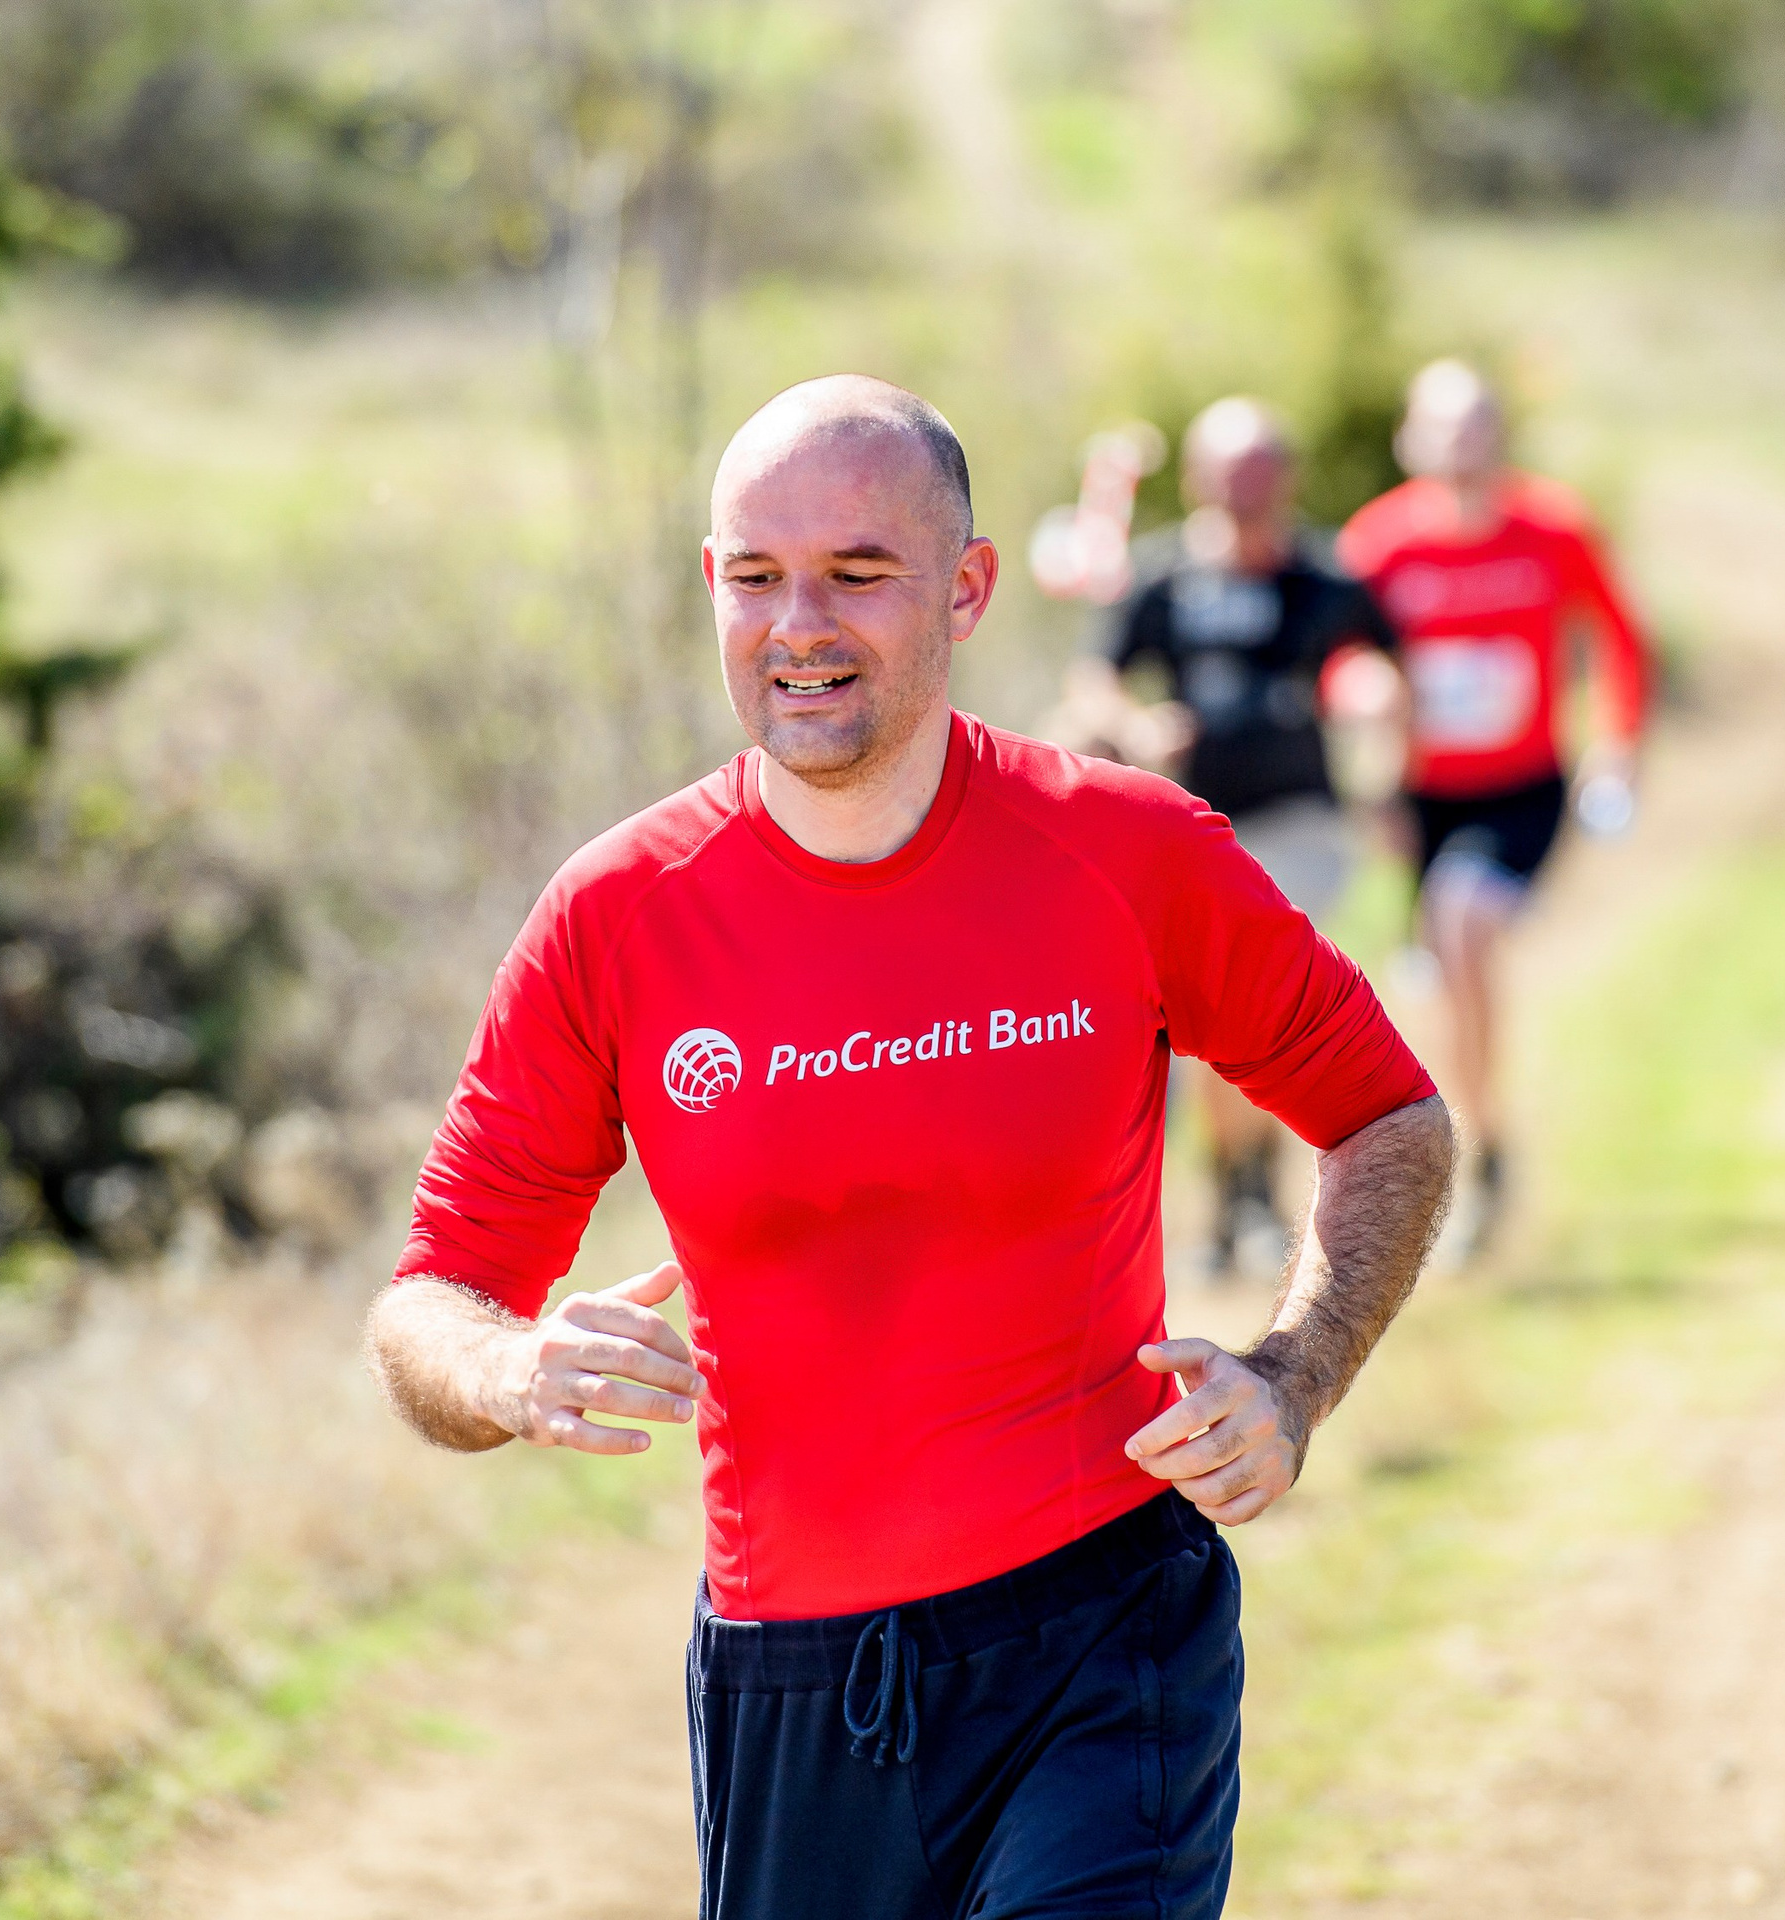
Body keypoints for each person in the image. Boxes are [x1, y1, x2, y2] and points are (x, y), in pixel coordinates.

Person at [365, 375, 1456, 1919]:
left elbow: (1388, 1115)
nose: (797, 623)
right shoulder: (615, 918)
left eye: (857, 574)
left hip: (1105, 1633)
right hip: (792, 1688)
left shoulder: (1128, 853)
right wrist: (509, 1369)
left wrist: (1298, 1375)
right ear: (712, 588)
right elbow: (432, 1296)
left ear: (967, 587)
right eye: (757, 577)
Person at [1062, 397, 1402, 1277]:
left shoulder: (1327, 583)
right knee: (1203, 1027)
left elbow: (1392, 671)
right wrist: (1135, 728)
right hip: (1191, 833)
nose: (1246, 495)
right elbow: (1093, 683)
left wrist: (1378, 728)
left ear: (1286, 481)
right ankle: (1238, 1190)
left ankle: (1248, 1193)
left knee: (1247, 995)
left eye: (1261, 476)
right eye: (1229, 476)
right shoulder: (1163, 581)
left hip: (1301, 826)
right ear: (1201, 481)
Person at [1338, 359, 1651, 1255]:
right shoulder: (1380, 542)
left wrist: (1619, 747)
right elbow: (1334, 650)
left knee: (1463, 921)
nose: (1462, 446)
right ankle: (1482, 1142)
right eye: (1444, 428)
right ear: (1412, 439)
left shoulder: (1553, 527)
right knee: (1440, 959)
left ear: (1500, 435)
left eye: (1478, 426)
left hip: (1524, 788)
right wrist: (1356, 688)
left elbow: (1622, 637)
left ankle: (1481, 1149)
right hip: (1420, 798)